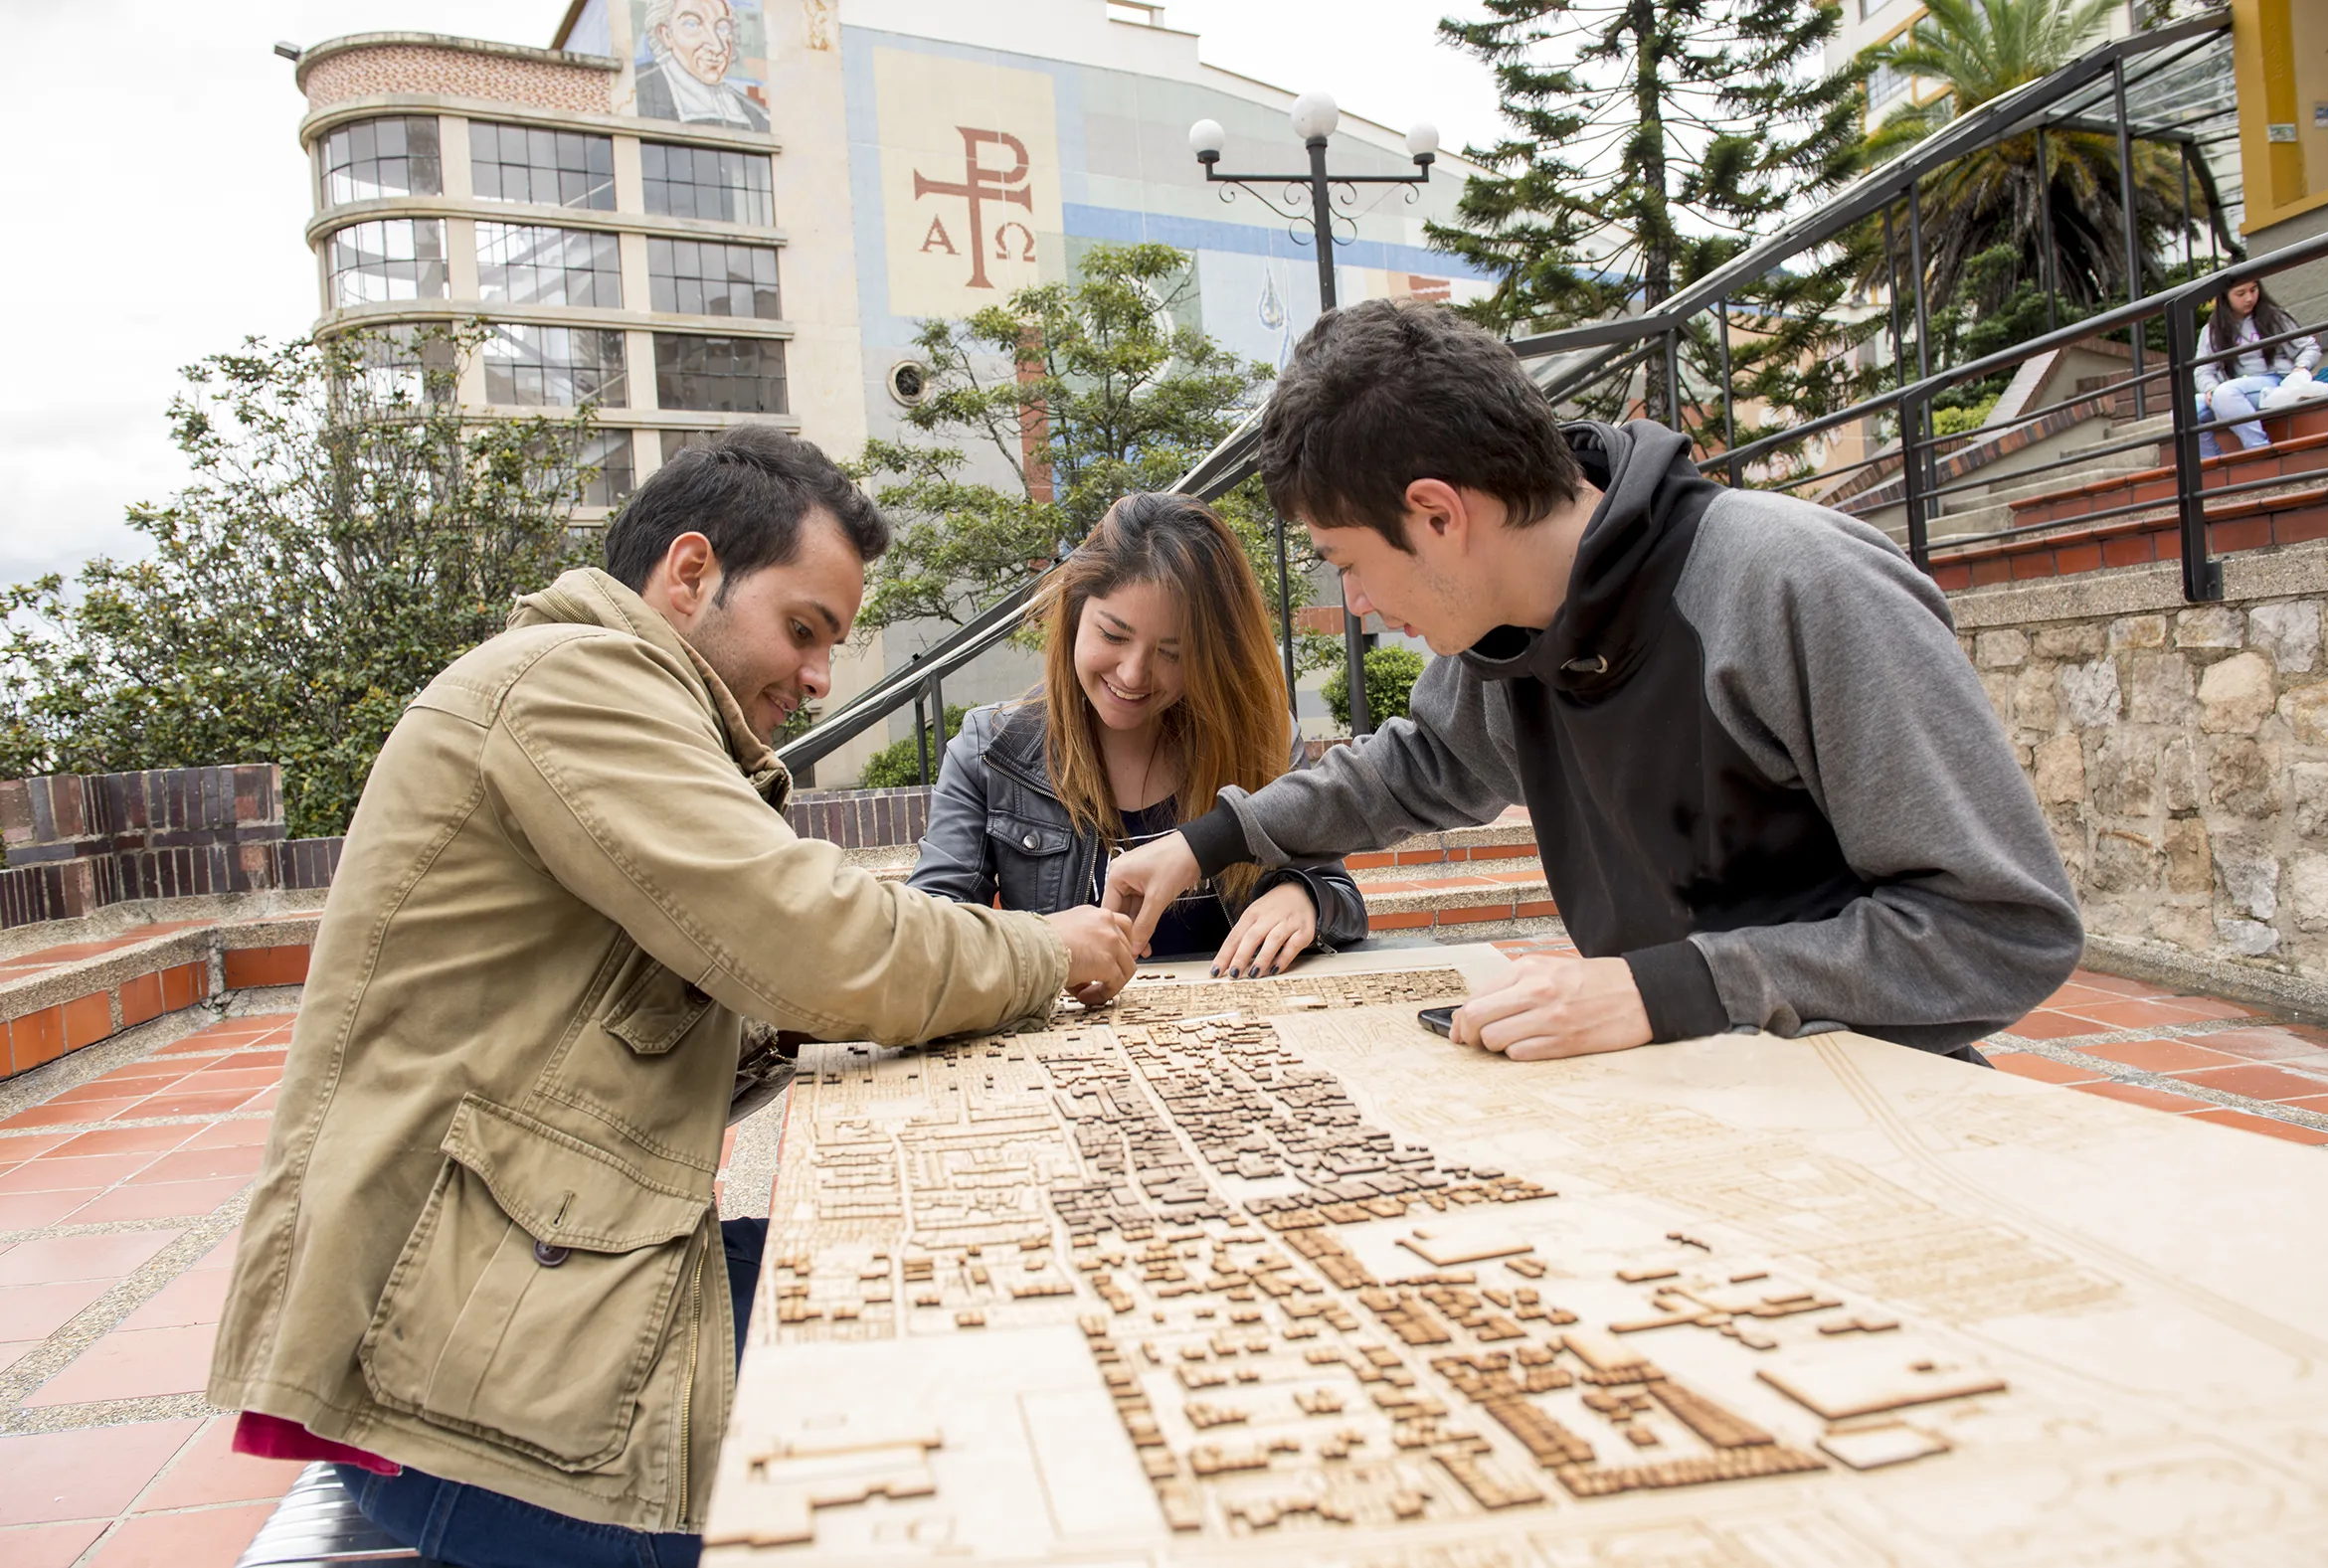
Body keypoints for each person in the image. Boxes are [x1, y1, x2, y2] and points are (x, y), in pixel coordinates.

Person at [207, 427, 1136, 1567]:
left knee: (949, 1295)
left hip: (518, 1291)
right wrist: (1040, 948)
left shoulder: (607, 696)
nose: (814, 677)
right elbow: (813, 935)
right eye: (804, 629)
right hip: (454, 1388)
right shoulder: (574, 682)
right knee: (978, 1450)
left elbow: (742, 974)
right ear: (689, 573)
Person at [1102, 299, 2083, 1064]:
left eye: (1346, 559)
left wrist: (1664, 987)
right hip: (1674, 1097)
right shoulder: (1499, 633)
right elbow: (1421, 763)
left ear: (1439, 513)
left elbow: (2002, 928)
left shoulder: (1792, 583)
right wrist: (1208, 842)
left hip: (1869, 1111)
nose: (1353, 598)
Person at [909, 492, 1366, 979]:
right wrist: (1046, 943)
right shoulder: (990, 751)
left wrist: (1302, 898)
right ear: (1073, 615)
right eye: (1113, 635)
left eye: (1172, 652)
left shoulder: (1258, 735)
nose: (1133, 675)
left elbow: (1341, 897)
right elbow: (926, 935)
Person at [2194, 276, 2322, 459]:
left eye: (2253, 290)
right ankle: (2214, 462)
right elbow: (2202, 369)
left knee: (2225, 393)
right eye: (2240, 293)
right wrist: (2210, 389)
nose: (2249, 298)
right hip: (2235, 391)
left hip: (2275, 380)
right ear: (2225, 296)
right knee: (2184, 412)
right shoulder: (2213, 330)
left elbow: (2309, 347)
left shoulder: (2274, 316)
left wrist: (2301, 368)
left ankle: (2261, 452)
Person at [634, 0, 771, 131]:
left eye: (722, 28)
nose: (717, 46)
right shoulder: (636, 91)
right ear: (666, 34)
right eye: (692, 25)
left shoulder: (755, 114)